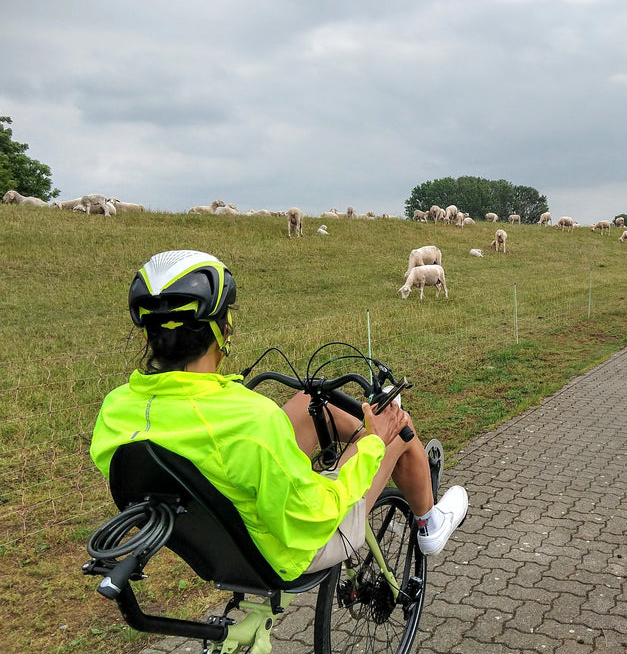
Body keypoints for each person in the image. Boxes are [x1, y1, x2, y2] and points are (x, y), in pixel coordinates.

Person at [90, 249, 468, 581]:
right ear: (224, 329)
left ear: (147, 336)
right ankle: (430, 523)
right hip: (291, 547)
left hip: (213, 542)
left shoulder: (116, 410)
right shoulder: (252, 420)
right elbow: (316, 513)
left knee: (308, 402)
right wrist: (371, 443)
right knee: (398, 430)